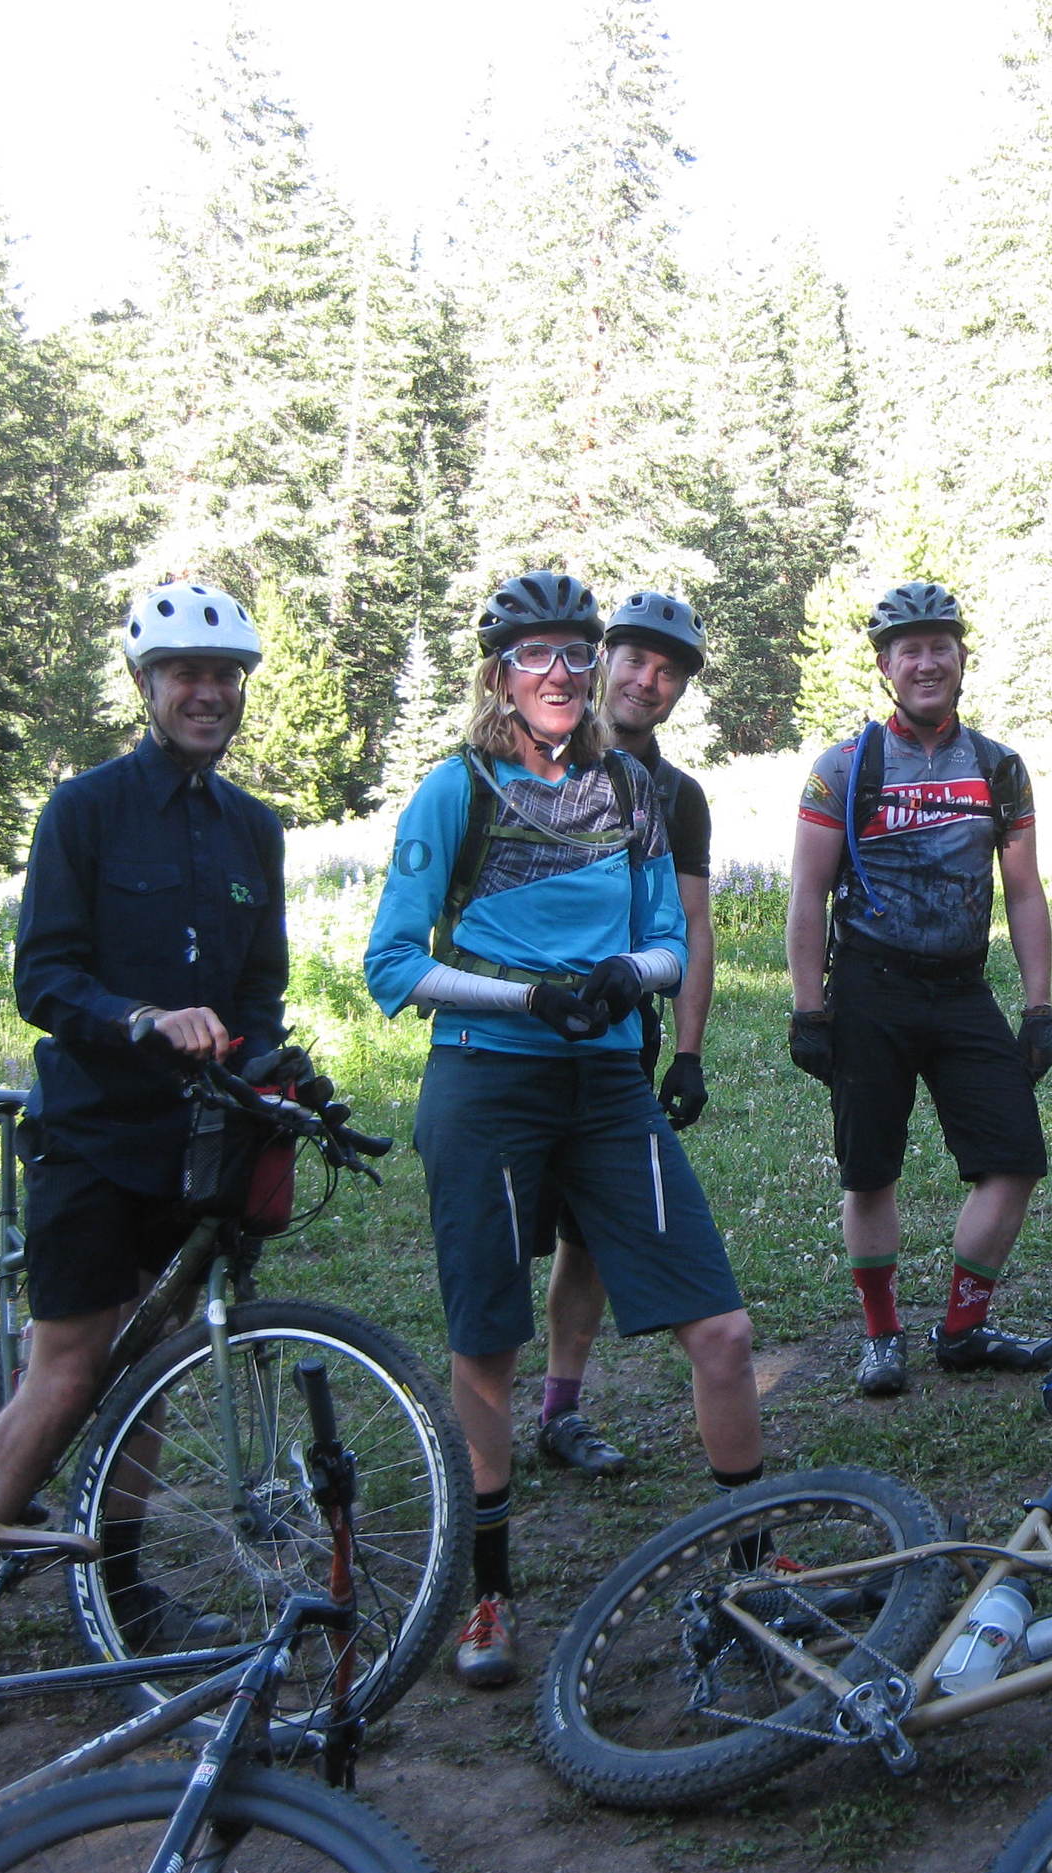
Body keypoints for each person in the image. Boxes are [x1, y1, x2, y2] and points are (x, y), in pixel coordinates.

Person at [364, 570, 760, 1688]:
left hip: (605, 1088)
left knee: (722, 1333)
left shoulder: (628, 793)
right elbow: (392, 963)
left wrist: (624, 979)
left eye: (573, 655)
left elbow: (668, 940)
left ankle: (753, 1563)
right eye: (533, 655)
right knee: (487, 1341)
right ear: (498, 673)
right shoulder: (457, 790)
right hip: (485, 1085)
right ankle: (488, 1591)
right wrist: (523, 997)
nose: (559, 673)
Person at [0, 581, 284, 1714]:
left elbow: (260, 990)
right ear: (146, 686)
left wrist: (278, 1065)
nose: (208, 693)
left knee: (149, 1371)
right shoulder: (83, 811)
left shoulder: (252, 829)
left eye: (224, 678)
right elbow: (44, 977)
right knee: (70, 1364)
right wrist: (138, 1020)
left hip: (195, 1142)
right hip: (89, 1131)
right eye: (186, 674)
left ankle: (120, 1591)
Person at [786, 581, 1052, 1399]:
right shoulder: (844, 767)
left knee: (1013, 1159)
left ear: (962, 659)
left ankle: (963, 1329)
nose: (927, 661)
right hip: (870, 987)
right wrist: (808, 1007)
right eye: (910, 649)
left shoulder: (997, 767)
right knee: (869, 1172)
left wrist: (1038, 1004)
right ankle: (880, 1335)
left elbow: (1024, 890)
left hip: (962, 987)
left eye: (941, 646)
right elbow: (806, 893)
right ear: (884, 667)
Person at [534, 590, 718, 1480]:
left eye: (669, 670)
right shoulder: (528, 759)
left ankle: (558, 1409)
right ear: (603, 661)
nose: (649, 681)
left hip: (616, 1040)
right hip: (506, 1039)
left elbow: (690, 923)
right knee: (506, 1240)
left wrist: (686, 1050)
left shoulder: (679, 796)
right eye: (636, 660)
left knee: (586, 1236)